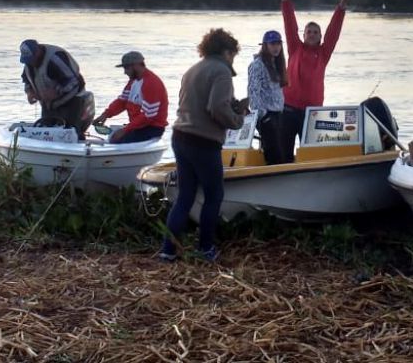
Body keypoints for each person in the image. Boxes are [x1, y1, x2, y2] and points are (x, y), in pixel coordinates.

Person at [161, 28, 247, 263]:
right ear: (227, 51)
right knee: (213, 195)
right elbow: (217, 108)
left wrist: (230, 105)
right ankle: (206, 249)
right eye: (233, 54)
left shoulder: (193, 69)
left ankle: (168, 250)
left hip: (180, 136)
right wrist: (238, 118)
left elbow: (194, 102)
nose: (233, 59)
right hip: (203, 142)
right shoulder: (221, 71)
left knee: (185, 196)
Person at [277, 0, 351, 162]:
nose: (311, 34)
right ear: (303, 35)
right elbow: (289, 24)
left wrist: (341, 6)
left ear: (320, 36)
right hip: (288, 109)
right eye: (308, 32)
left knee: (310, 155)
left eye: (315, 32)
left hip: (312, 112)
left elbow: (333, 32)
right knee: (284, 153)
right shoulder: (295, 47)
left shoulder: (323, 53)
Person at [20, 39, 93, 139]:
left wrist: (56, 92)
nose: (30, 62)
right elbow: (26, 79)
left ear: (38, 52)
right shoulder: (29, 63)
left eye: (32, 58)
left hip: (72, 101)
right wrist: (29, 92)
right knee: (46, 132)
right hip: (48, 104)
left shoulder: (55, 58)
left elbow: (73, 81)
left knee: (71, 133)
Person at [93, 51, 168, 144]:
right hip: (138, 126)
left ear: (136, 66)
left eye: (126, 68)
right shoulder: (133, 81)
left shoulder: (151, 83)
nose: (125, 72)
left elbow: (148, 116)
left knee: (117, 141)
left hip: (152, 128)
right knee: (114, 137)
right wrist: (105, 115)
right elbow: (122, 101)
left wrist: (125, 130)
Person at [247, 30, 288, 165]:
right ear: (265, 45)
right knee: (275, 156)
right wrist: (263, 117)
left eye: (278, 44)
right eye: (272, 44)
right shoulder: (257, 65)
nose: (276, 47)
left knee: (282, 154)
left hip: (278, 114)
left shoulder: (277, 64)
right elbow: (253, 93)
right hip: (266, 117)